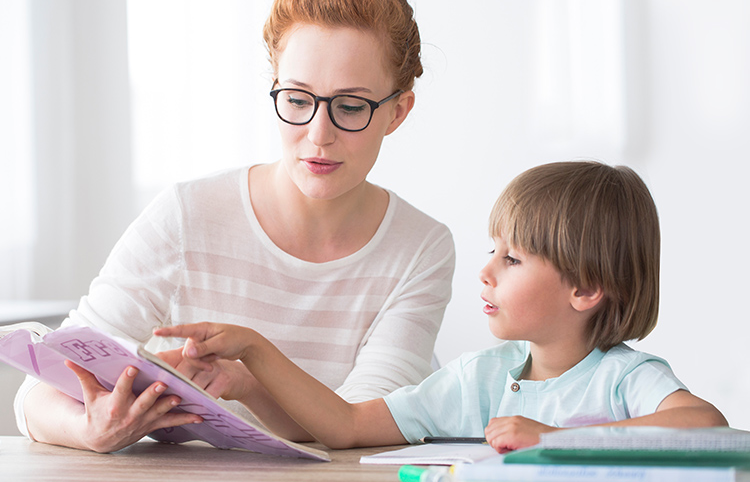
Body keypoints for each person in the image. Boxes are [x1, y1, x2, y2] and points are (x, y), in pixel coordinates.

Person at [16, 0, 455, 453]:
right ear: (274, 89)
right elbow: (39, 392)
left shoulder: (420, 247)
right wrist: (90, 429)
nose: (319, 134)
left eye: (350, 107)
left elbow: (363, 423)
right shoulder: (188, 215)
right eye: (298, 100)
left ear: (398, 112)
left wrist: (249, 379)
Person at [155, 161, 728, 453]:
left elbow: (705, 425)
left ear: (584, 289)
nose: (486, 270)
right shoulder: (478, 379)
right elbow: (347, 425)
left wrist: (549, 438)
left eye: (513, 259)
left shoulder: (624, 378)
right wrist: (254, 358)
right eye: (492, 250)